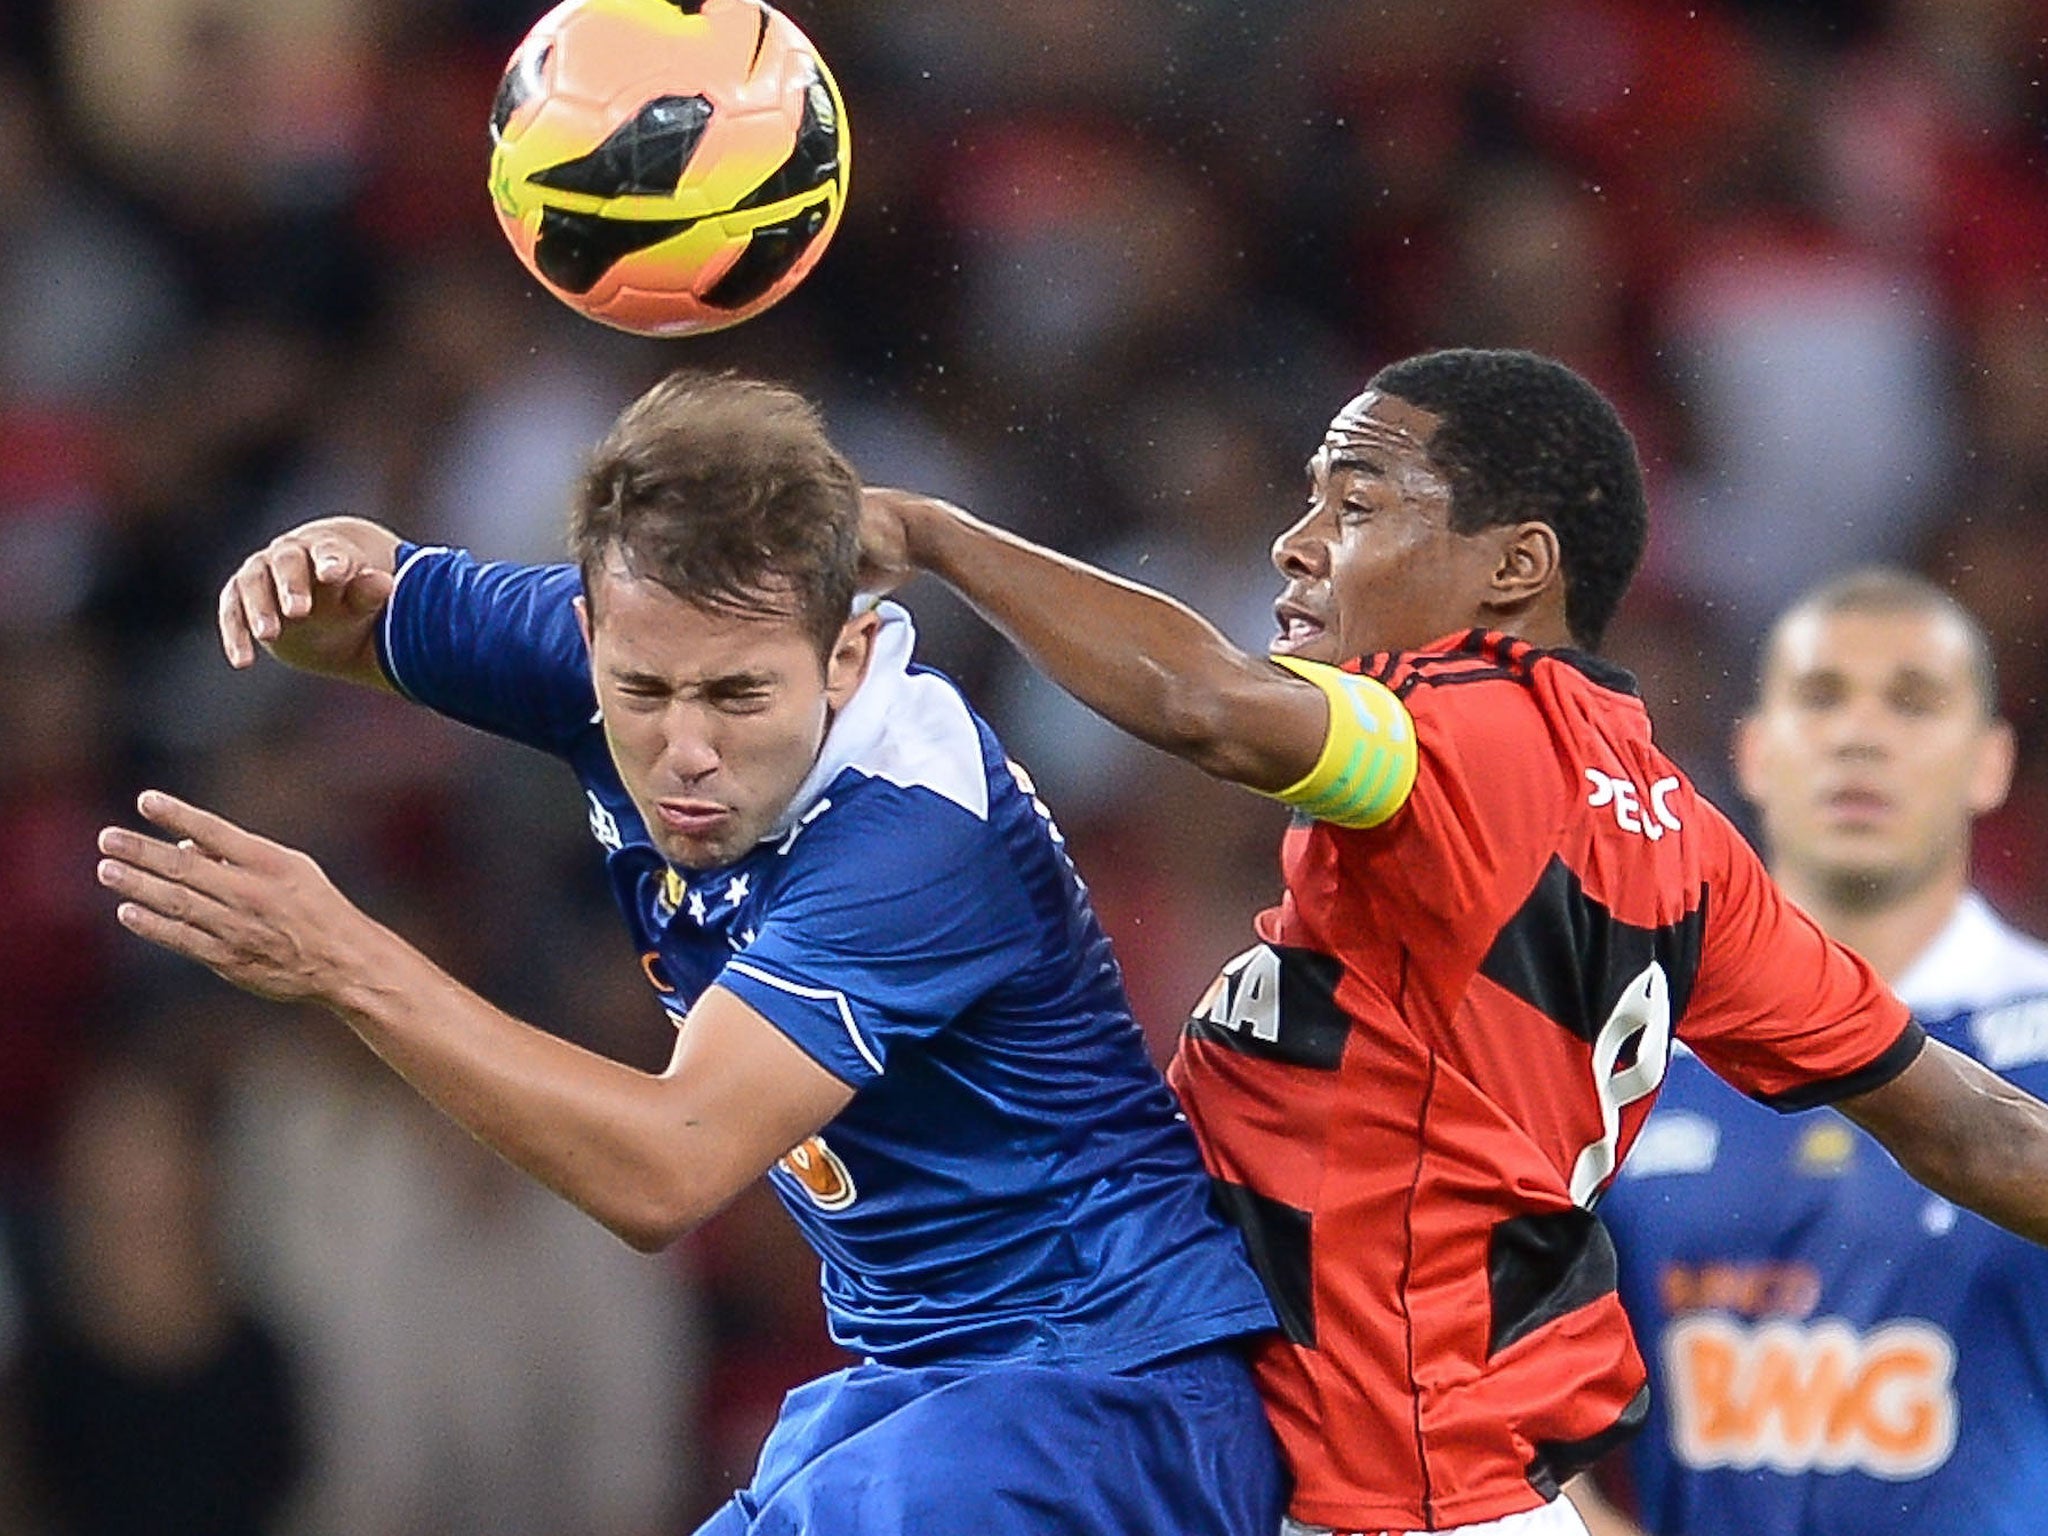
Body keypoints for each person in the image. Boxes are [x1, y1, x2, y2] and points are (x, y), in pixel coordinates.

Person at [855, 347, 2048, 1536]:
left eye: (1357, 503)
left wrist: (936, 537)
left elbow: (1202, 704)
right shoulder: (1683, 841)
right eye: (1312, 497)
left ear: (1515, 567)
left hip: (1380, 1499)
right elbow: (1970, 1126)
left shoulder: (1461, 733)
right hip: (1433, 1480)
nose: (1298, 541)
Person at [92, 371, 1285, 1536]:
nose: (685, 750)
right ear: (585, 635)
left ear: (848, 659)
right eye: (642, 691)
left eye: (738, 697)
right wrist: (311, 564)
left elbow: (662, 1171)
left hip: (1101, 1396)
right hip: (913, 1380)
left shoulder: (909, 839)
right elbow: (355, 614)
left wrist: (341, 958)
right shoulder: (620, 649)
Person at [1564, 570, 2048, 1536]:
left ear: (1993, 761)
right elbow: (1481, 1372)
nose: (1860, 735)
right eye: (1821, 697)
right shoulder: (1626, 1054)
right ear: (1751, 752)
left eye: (1914, 701)